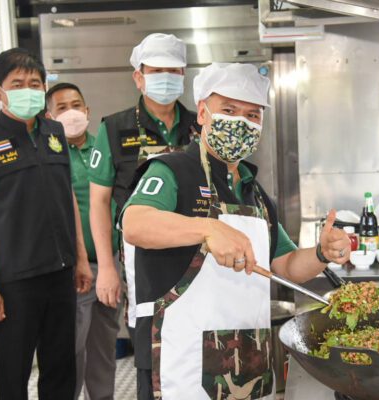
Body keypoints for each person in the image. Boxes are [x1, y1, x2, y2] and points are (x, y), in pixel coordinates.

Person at [121, 63, 351, 400]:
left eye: (252, 115)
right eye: (229, 110)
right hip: (181, 362)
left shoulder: (254, 192)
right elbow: (135, 223)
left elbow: (285, 265)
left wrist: (321, 253)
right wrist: (208, 227)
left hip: (248, 361)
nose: (241, 123)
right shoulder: (173, 170)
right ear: (203, 112)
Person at [0, 48, 92, 400]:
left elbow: (67, 199)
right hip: (14, 282)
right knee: (13, 374)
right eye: (17, 84)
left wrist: (80, 258)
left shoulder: (55, 133)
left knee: (61, 370)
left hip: (60, 274)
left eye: (35, 83)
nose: (28, 90)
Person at [88, 33, 200, 335]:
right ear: (139, 78)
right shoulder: (114, 128)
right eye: (157, 70)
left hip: (196, 247)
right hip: (141, 253)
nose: (166, 77)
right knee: (149, 334)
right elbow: (99, 202)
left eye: (173, 70)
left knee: (194, 331)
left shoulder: (200, 125)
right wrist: (107, 267)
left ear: (183, 76)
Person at [45, 82, 121, 400]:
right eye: (62, 108)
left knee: (104, 347)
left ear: (87, 110)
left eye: (76, 105)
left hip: (110, 265)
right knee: (70, 350)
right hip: (72, 271)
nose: (72, 112)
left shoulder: (105, 148)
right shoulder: (47, 156)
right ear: (49, 117)